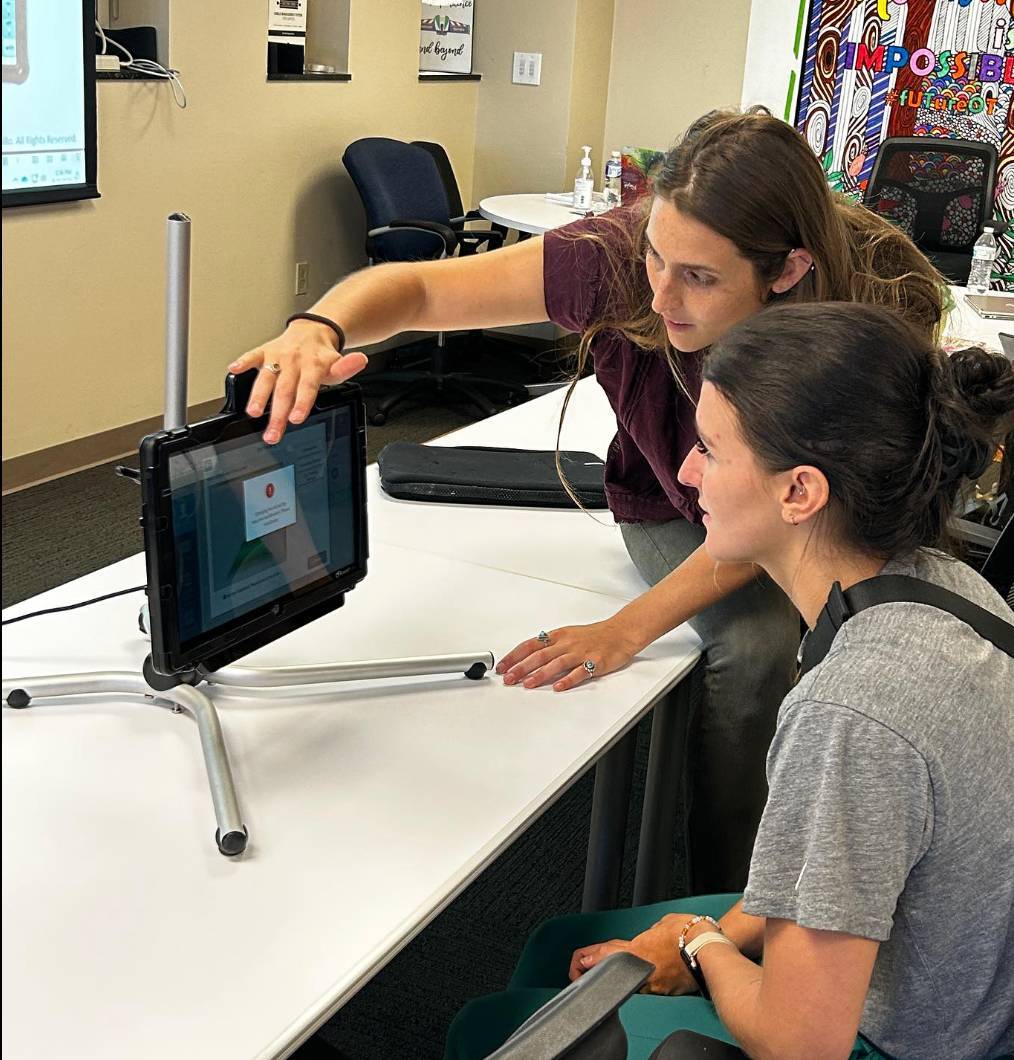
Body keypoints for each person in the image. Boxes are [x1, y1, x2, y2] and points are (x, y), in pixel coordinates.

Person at [228, 109, 948, 892]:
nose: (663, 296)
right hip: (672, 505)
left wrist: (626, 628)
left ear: (786, 270)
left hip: (802, 510)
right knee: (756, 647)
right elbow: (419, 289)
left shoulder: (858, 314)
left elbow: (787, 517)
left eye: (700, 277)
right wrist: (319, 326)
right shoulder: (607, 262)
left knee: (861, 633)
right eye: (656, 259)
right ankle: (722, 897)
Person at [443, 302, 1014, 1060]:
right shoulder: (948, 584)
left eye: (710, 449)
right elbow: (850, 859)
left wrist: (699, 947)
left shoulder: (852, 712)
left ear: (799, 493)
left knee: (486, 1029)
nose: (684, 472)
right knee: (565, 942)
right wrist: (708, 939)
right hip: (968, 986)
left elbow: (798, 1043)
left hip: (906, 1038)